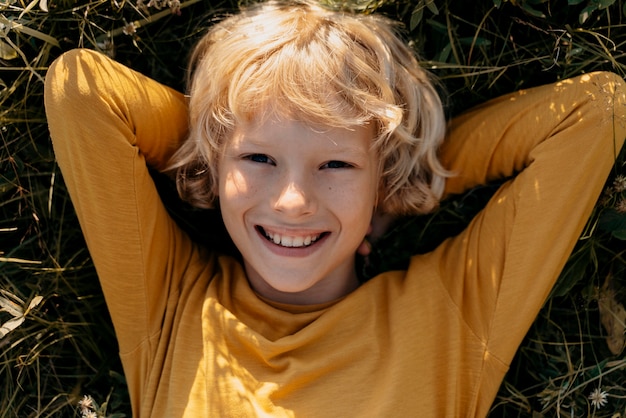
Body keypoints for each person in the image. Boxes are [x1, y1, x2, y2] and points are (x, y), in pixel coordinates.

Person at [44, 0, 626, 416]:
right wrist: (213, 149)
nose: (294, 200)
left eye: (337, 165)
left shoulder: (452, 314)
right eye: (260, 159)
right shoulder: (170, 306)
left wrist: (406, 181)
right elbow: (81, 91)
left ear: (380, 174)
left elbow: (597, 114)